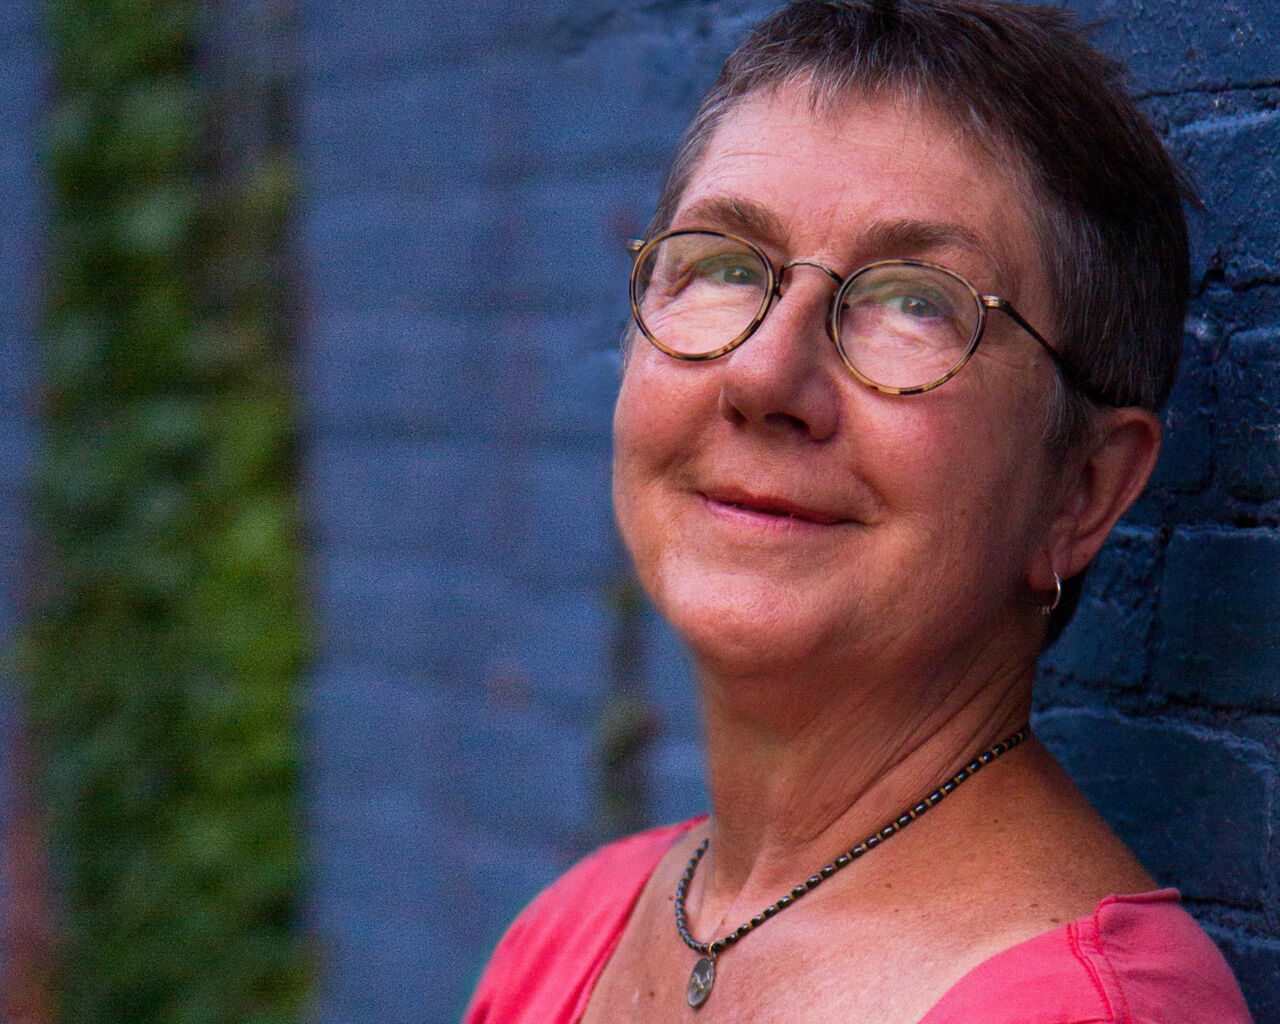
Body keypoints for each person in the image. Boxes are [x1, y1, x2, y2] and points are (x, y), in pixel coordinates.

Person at [464, 1, 1255, 1021]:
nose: (762, 374)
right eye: (720, 265)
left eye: (913, 301)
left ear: (1080, 489)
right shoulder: (573, 932)